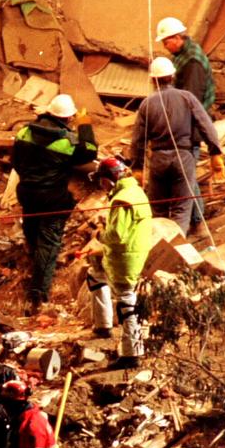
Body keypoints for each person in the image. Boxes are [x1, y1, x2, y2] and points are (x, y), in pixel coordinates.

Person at [12, 92, 98, 312]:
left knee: (32, 229)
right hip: (52, 199)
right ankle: (38, 294)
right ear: (69, 118)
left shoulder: (24, 132)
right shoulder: (65, 142)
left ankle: (33, 259)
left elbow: (16, 163)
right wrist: (85, 125)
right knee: (49, 243)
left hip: (27, 193)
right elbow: (90, 152)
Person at [128, 56, 225, 236]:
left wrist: (137, 167)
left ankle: (159, 250)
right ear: (172, 76)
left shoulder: (146, 104)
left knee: (158, 211)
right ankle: (178, 252)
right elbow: (206, 126)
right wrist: (215, 153)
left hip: (158, 160)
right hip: (184, 158)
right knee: (181, 210)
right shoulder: (186, 97)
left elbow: (138, 140)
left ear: (152, 79)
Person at [87, 157, 152, 370]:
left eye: (102, 180)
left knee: (126, 301)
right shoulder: (136, 191)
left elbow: (116, 234)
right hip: (131, 252)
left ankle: (133, 352)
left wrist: (99, 233)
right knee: (94, 275)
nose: (101, 185)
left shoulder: (122, 200)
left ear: (110, 179)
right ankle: (103, 325)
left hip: (124, 257)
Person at [155, 17, 217, 232]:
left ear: (178, 38)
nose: (165, 46)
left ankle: (198, 225)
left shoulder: (192, 64)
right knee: (186, 177)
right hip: (184, 129)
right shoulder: (183, 56)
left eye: (166, 42)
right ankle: (195, 223)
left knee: (186, 178)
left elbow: (192, 103)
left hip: (188, 131)